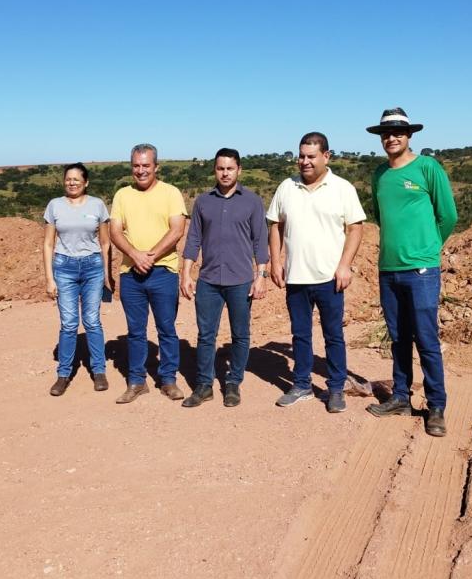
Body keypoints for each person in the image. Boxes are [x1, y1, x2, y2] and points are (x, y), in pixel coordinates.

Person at [364, 108, 458, 437]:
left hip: (421, 269)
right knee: (399, 338)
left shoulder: (428, 168)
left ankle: (436, 406)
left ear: (409, 136)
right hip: (388, 268)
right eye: (385, 134)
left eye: (397, 133)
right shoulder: (379, 175)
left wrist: (428, 249)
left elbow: (448, 216)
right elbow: (380, 215)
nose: (391, 138)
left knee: (426, 339)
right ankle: (400, 397)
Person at [267, 132, 365, 413]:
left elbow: (355, 227)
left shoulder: (342, 188)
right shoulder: (286, 187)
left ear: (326, 156)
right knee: (300, 335)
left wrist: (345, 265)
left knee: (333, 335)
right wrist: (276, 261)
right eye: (301, 156)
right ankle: (301, 384)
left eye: (311, 156)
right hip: (296, 277)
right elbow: (275, 224)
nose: (305, 162)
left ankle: (335, 388)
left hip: (329, 277)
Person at [180, 148, 269, 408]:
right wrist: (186, 274)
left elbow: (259, 241)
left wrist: (260, 275)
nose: (225, 173)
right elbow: (193, 238)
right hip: (208, 279)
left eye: (230, 168)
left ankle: (233, 383)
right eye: (220, 168)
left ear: (239, 170)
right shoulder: (203, 202)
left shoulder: (252, 201)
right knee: (206, 335)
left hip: (241, 279)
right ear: (214, 170)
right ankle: (204, 385)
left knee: (240, 334)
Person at [109, 143, 188, 404]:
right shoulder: (122, 195)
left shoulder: (171, 193)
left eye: (146, 165)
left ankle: (168, 380)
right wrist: (135, 255)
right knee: (135, 331)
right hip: (131, 274)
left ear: (156, 167)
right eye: (136, 165)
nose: (141, 170)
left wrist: (150, 256)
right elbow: (115, 231)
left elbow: (177, 229)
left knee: (166, 328)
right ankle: (136, 381)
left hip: (163, 271)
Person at [43, 163, 113, 396]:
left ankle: (99, 371)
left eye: (76, 179)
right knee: (69, 323)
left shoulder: (97, 205)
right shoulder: (55, 206)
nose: (72, 183)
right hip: (64, 267)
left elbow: (105, 242)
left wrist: (107, 274)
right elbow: (48, 243)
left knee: (92, 321)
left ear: (86, 182)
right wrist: (49, 278)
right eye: (68, 179)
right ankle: (64, 374)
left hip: (92, 266)